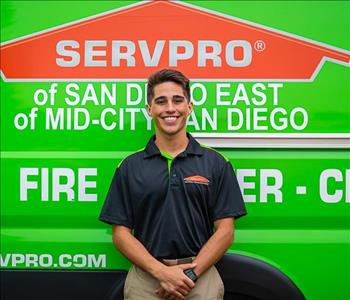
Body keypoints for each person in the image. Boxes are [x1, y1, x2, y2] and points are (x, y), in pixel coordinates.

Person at [99, 69, 247, 300]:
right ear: (150, 110)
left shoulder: (216, 163)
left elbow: (226, 231)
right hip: (147, 279)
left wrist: (189, 274)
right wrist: (161, 272)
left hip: (200, 276)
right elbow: (120, 234)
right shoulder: (129, 166)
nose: (170, 108)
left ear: (189, 107)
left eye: (177, 100)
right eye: (161, 101)